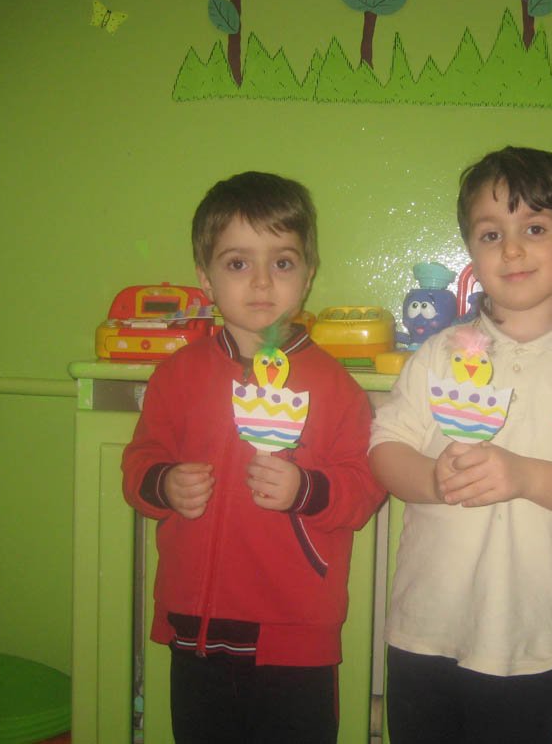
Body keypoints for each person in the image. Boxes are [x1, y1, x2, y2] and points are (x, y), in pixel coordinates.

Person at [369, 147, 552, 744]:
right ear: (472, 252)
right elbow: (386, 448)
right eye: (492, 234)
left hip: (533, 643)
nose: (513, 250)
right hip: (424, 630)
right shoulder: (439, 353)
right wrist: (432, 479)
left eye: (535, 229)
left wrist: (524, 476)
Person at [121, 171, 387, 744]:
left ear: (307, 275)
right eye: (238, 263)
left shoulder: (334, 386)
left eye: (282, 262)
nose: (262, 281)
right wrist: (164, 484)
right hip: (194, 630)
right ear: (206, 278)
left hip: (293, 636)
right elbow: (138, 464)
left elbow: (365, 487)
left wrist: (304, 490)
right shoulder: (177, 377)